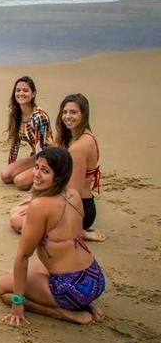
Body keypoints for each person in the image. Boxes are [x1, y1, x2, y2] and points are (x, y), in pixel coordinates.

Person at [0, 147, 106, 326]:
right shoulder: (74, 194)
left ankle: (63, 313)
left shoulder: (40, 206)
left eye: (45, 171)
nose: (37, 174)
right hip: (94, 278)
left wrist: (17, 304)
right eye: (37, 167)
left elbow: (23, 256)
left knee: (3, 287)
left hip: (72, 289)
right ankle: (85, 305)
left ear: (59, 176)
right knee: (37, 269)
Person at [55, 93, 106, 242]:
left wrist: (74, 226)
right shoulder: (86, 136)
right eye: (64, 112)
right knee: (23, 210)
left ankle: (82, 233)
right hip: (85, 205)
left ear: (84, 114)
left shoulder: (79, 147)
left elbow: (73, 193)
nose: (67, 116)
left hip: (79, 210)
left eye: (73, 112)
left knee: (17, 220)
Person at [0, 76, 53, 190]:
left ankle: (54, 176)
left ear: (33, 94)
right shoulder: (16, 114)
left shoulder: (39, 116)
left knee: (20, 182)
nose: (21, 93)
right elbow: (15, 144)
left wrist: (39, 173)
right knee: (5, 176)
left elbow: (41, 147)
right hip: (36, 155)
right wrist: (12, 166)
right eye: (18, 90)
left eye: (25, 90)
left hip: (49, 157)